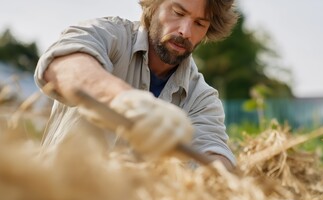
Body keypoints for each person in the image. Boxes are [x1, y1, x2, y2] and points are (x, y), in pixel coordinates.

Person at [34, 0, 239, 169]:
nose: (185, 31)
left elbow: (215, 154)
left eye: (199, 24)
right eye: (177, 12)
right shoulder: (109, 35)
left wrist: (218, 172)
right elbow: (63, 65)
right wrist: (125, 101)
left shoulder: (202, 99)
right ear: (153, 6)